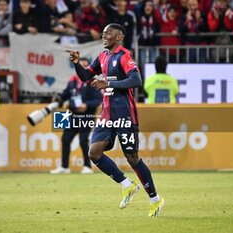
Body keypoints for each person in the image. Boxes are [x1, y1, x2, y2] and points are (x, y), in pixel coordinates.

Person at [65, 23, 164, 217]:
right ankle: (127, 185)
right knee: (94, 153)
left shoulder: (124, 56)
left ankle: (155, 199)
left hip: (125, 114)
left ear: (118, 37)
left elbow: (136, 81)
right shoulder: (103, 56)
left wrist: (108, 82)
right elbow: (86, 75)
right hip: (107, 115)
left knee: (132, 158)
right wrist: (77, 63)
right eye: (103, 32)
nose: (104, 35)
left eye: (108, 33)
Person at [50, 58, 102, 174]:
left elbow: (99, 99)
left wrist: (87, 105)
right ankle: (64, 167)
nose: (81, 69)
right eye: (80, 66)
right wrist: (58, 98)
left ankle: (87, 166)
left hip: (87, 115)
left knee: (83, 140)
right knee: (65, 139)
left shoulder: (92, 82)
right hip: (73, 114)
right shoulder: (72, 81)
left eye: (84, 67)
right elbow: (65, 94)